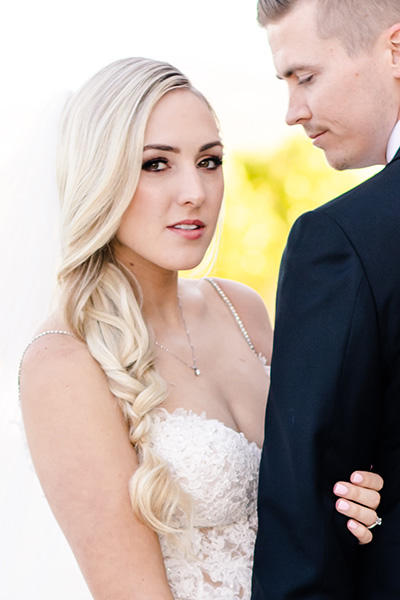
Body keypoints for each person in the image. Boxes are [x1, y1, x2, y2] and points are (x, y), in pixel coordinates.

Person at [19, 57, 382, 600]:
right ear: (100, 175)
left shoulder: (240, 308)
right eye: (156, 164)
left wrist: (358, 502)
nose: (195, 191)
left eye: (209, 161)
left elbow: (305, 506)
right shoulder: (64, 362)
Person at [252, 1, 400, 599]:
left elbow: (303, 538)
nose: (293, 112)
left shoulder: (342, 242)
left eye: (306, 76)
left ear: (395, 50)